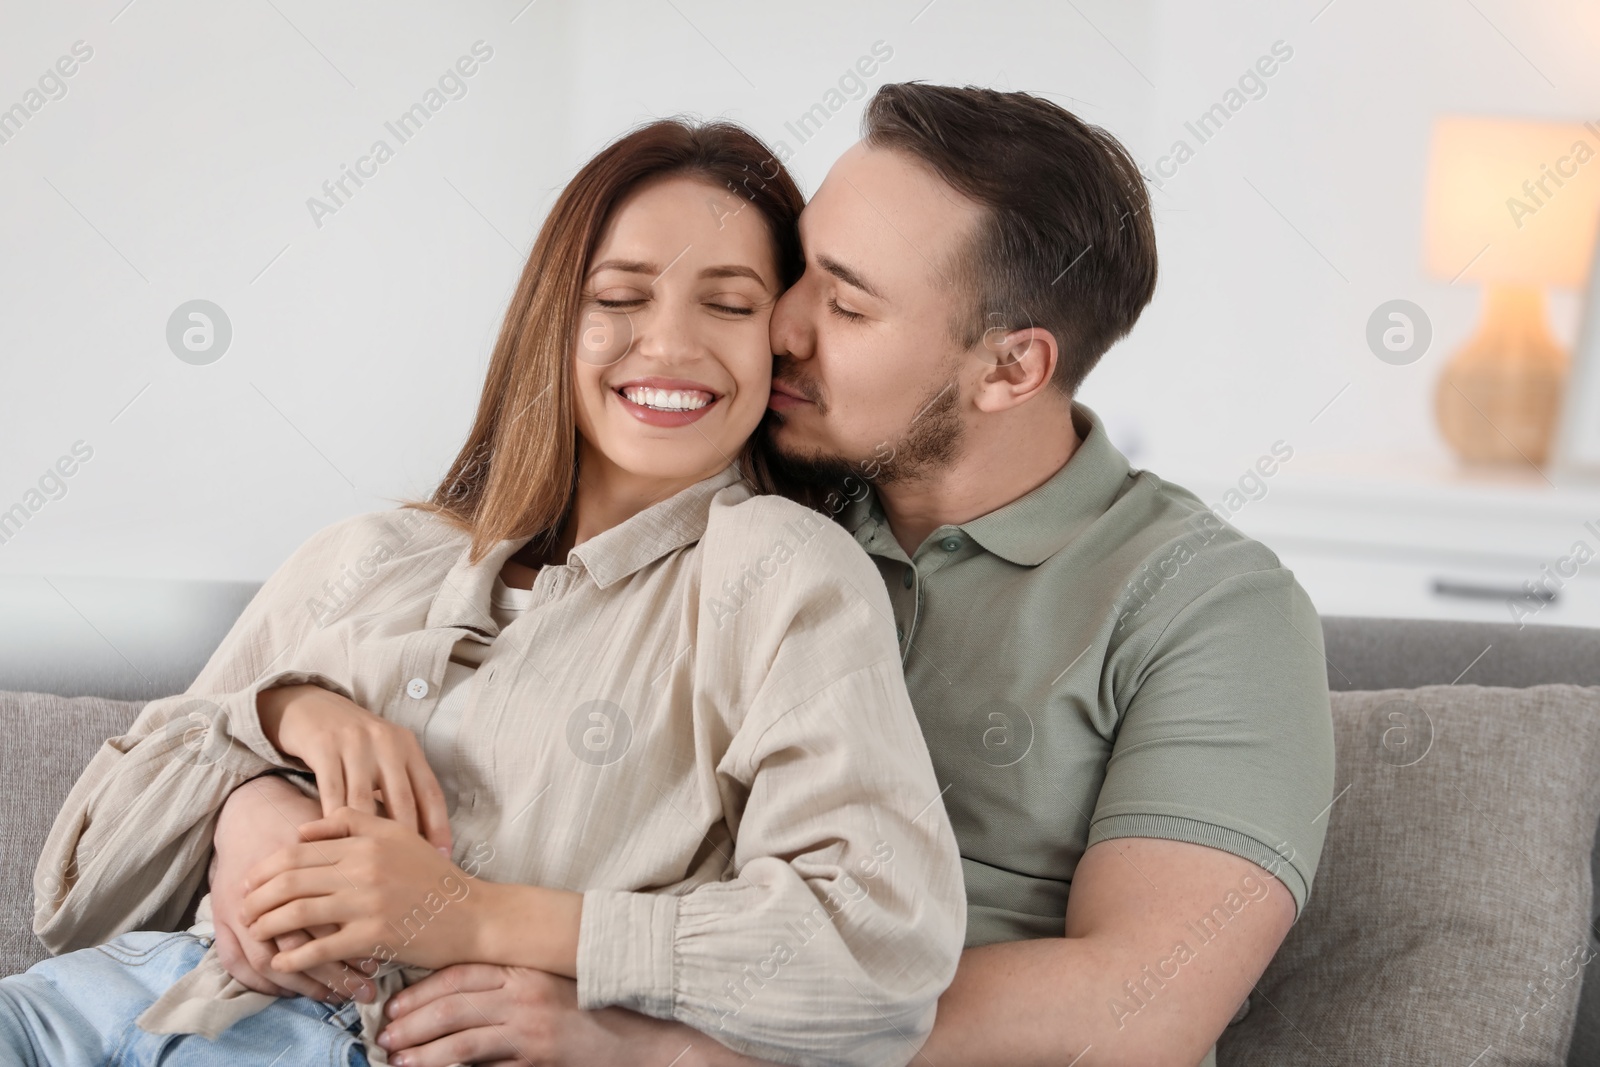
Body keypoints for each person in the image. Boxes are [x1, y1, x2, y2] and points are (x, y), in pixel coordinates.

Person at [369, 83, 1337, 1067]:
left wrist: (662, 1046)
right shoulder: (740, 502)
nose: (780, 325)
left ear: (1009, 369)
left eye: (844, 300)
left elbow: (1143, 1001)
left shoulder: (1206, 604)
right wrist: (261, 778)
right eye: (798, 270)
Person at [17, 118, 966, 1067]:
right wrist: (266, 747)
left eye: (728, 304)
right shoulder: (374, 550)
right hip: (97, 1006)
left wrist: (480, 918)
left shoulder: (783, 572)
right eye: (620, 295)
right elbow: (73, 894)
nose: (670, 342)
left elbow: (876, 954)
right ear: (556, 318)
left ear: (781, 343)